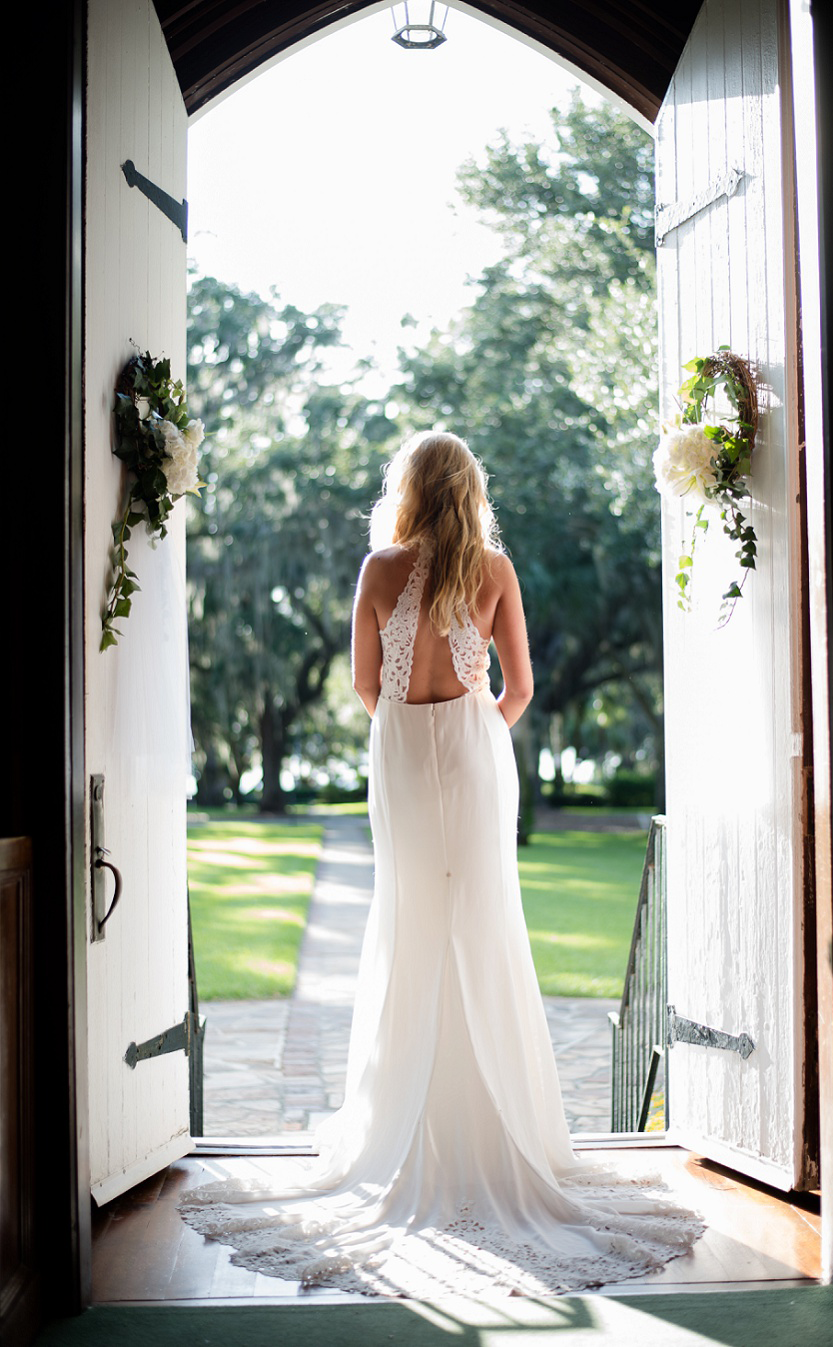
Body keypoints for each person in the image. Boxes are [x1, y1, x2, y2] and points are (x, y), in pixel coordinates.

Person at [180, 431, 703, 1296]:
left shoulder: (379, 567)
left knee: (409, 918)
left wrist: (408, 728)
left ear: (411, 488)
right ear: (471, 488)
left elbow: (363, 683)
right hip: (472, 746)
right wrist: (472, 733)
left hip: (402, 751)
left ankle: (403, 1123)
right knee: (485, 921)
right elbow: (521, 688)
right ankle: (502, 1128)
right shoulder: (494, 571)